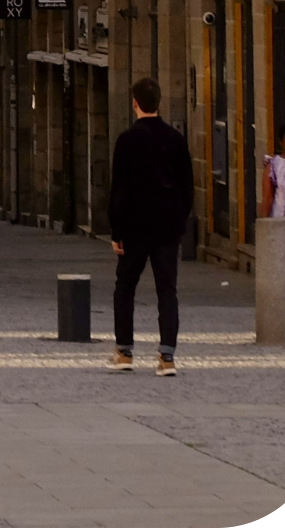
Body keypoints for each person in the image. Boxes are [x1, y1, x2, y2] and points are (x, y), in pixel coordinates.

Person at [108, 76, 195, 375]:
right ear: (158, 103)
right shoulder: (175, 139)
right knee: (167, 290)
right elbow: (188, 187)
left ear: (135, 104)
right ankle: (166, 357)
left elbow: (119, 189)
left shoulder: (127, 140)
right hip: (168, 227)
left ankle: (124, 351)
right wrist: (179, 219)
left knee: (125, 287)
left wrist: (116, 231)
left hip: (134, 227)